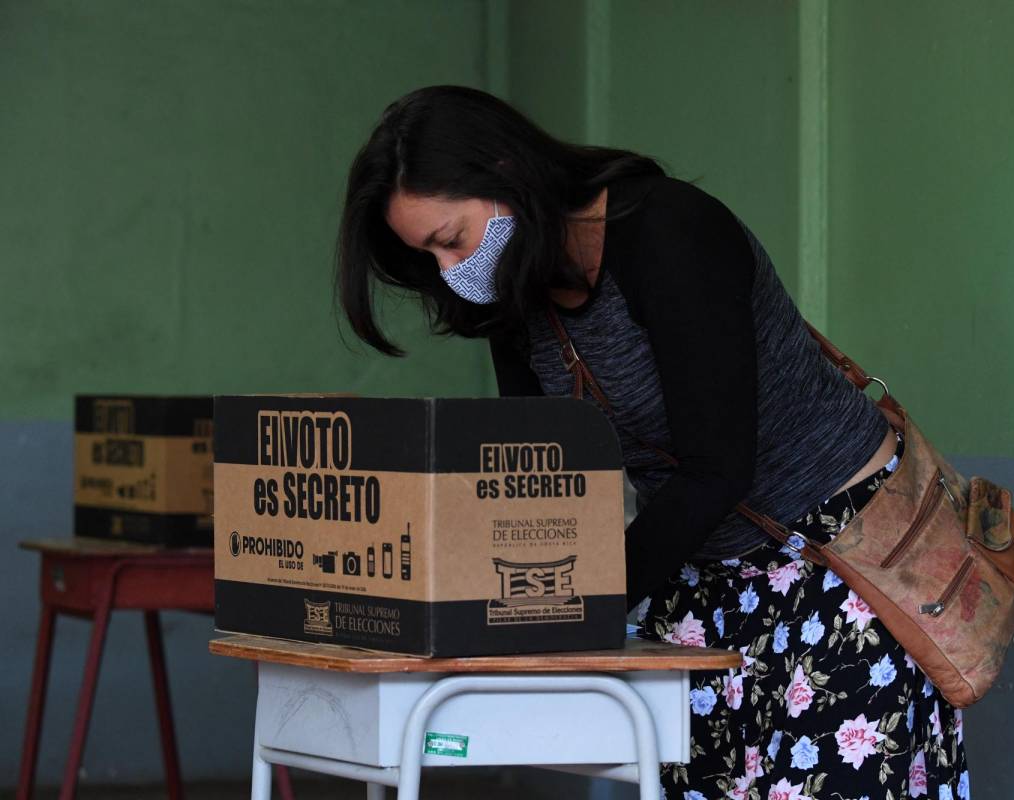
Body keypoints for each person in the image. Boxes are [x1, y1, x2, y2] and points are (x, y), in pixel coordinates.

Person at [336, 85, 969, 800]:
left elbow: (717, 467)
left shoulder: (668, 232)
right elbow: (540, 477)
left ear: (506, 172)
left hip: (838, 562)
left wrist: (574, 610)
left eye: (451, 239)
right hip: (703, 570)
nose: (452, 271)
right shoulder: (517, 293)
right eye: (428, 256)